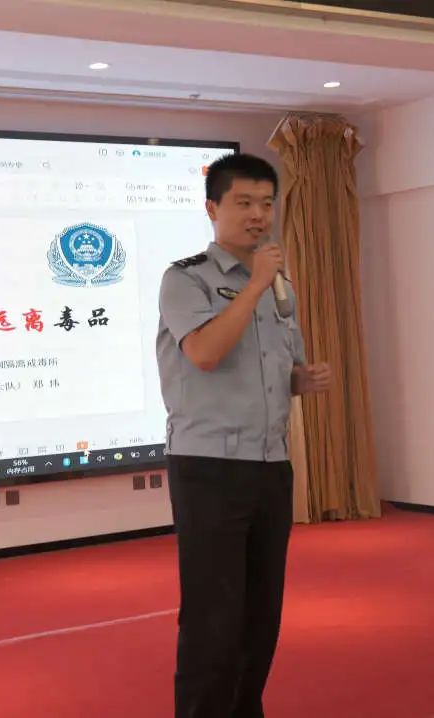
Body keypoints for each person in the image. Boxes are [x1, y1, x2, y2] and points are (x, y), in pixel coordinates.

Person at [156, 153, 332, 718]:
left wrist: (302, 379)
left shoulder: (279, 285)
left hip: (271, 464)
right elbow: (205, 353)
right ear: (212, 208)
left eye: (266, 203)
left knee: (261, 614)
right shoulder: (185, 279)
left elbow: (278, 369)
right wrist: (255, 285)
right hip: (209, 467)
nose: (258, 215)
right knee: (214, 614)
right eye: (244, 203)